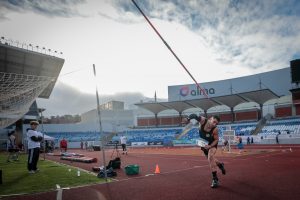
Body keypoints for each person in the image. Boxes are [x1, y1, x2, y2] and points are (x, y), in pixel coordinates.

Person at [185, 114, 226, 188]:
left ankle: (215, 179)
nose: (214, 124)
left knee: (210, 157)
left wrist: (210, 146)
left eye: (216, 123)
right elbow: (195, 116)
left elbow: (216, 139)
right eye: (214, 122)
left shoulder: (215, 129)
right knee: (211, 159)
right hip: (204, 144)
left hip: (212, 144)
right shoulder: (203, 120)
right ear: (210, 119)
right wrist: (188, 119)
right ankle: (220, 164)